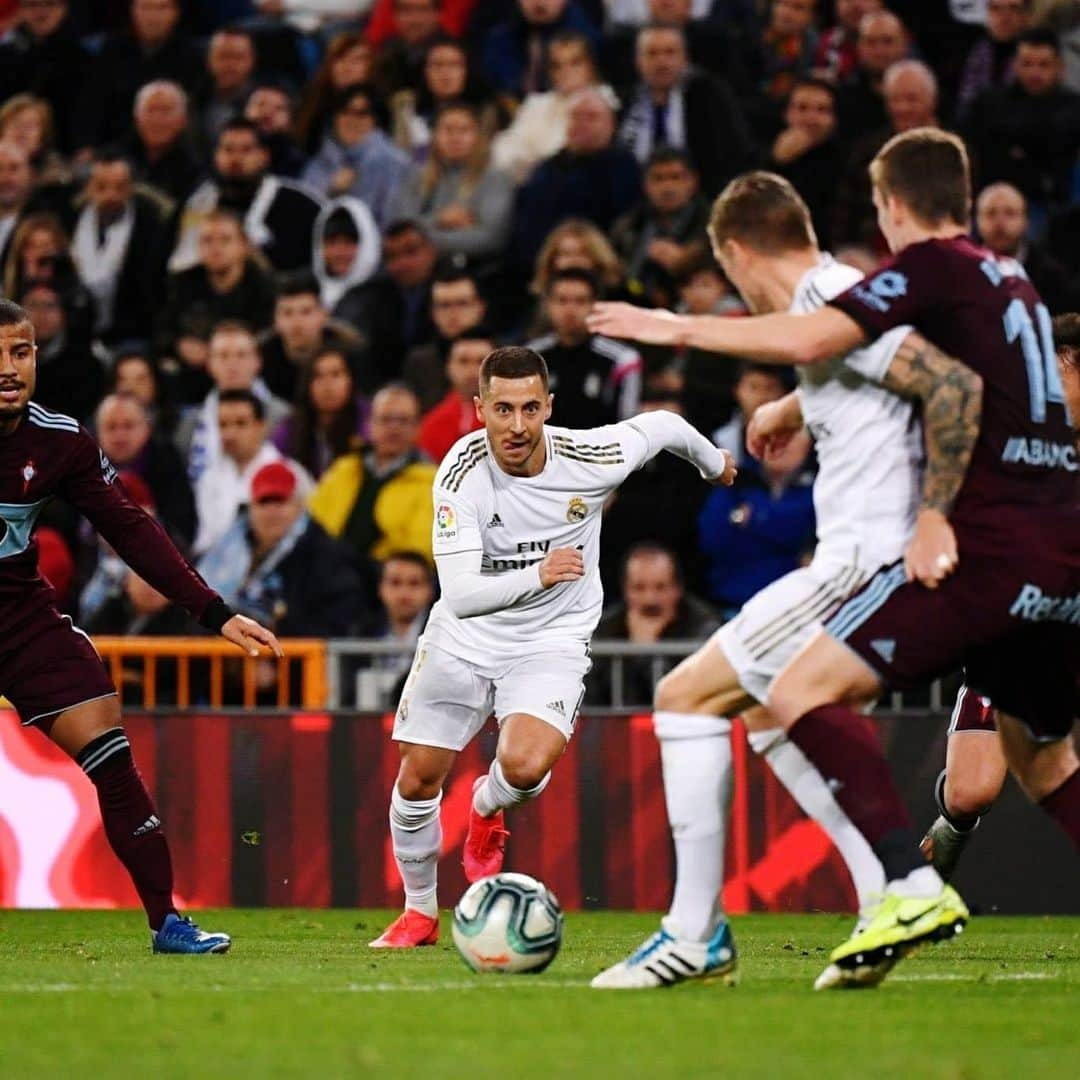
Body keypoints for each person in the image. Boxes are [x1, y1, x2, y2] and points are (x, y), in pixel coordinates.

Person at [589, 130, 1077, 986]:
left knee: (693, 694)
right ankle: (881, 896)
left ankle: (716, 929)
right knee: (1035, 760)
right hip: (1046, 541)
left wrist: (677, 327)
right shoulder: (1003, 278)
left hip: (891, 554)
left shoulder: (889, 277)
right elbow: (895, 364)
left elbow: (889, 362)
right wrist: (793, 406)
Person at [368, 345, 736, 947]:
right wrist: (538, 574)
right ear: (479, 409)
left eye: (531, 408)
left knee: (524, 764)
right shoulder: (460, 475)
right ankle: (419, 913)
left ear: (549, 407)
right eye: (503, 409)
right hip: (464, 637)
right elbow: (460, 595)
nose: (517, 426)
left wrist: (711, 461)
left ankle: (487, 808)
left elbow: (663, 426)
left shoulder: (586, 456)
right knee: (418, 779)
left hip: (550, 638)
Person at [0, 296, 281, 953]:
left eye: (20, 351)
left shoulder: (60, 441)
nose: (8, 368)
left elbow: (130, 529)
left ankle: (167, 922)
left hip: (19, 620)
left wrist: (213, 611)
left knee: (111, 753)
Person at [919, 309, 1080, 880]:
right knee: (969, 794)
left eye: (1060, 378)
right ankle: (950, 829)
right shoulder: (1009, 445)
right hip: (1019, 635)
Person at [197, 460, 365, 637]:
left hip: (293, 657)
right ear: (251, 507)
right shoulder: (227, 546)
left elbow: (339, 618)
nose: (271, 511)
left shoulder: (327, 555)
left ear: (299, 506)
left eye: (280, 501)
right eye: (264, 501)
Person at [512, 87, 642, 274]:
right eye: (575, 116)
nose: (582, 123)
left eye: (591, 117)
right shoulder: (547, 169)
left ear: (611, 124)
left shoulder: (625, 168)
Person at [170, 118, 325, 274]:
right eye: (228, 149)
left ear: (264, 156)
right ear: (216, 156)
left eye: (246, 150)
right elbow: (180, 264)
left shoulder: (301, 206)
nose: (236, 158)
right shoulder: (198, 203)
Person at [308, 383, 436, 571]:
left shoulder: (433, 482)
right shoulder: (343, 470)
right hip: (327, 574)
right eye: (385, 419)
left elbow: (420, 548)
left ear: (418, 427)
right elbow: (312, 525)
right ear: (369, 425)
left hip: (387, 581)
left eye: (403, 420)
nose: (394, 428)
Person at [617, 23, 755, 196]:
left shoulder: (710, 96)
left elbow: (734, 155)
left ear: (684, 58)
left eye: (670, 52)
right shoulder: (625, 102)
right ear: (638, 61)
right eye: (652, 53)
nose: (661, 62)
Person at [965, 28, 1080, 216]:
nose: (1034, 73)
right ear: (1015, 65)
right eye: (1027, 64)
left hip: (1052, 207)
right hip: (993, 202)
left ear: (1059, 66)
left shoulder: (1074, 108)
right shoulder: (989, 104)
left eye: (1043, 65)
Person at [588, 542, 720, 706]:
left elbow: (682, 696)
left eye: (660, 587)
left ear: (678, 588)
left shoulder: (703, 628)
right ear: (625, 590)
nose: (650, 599)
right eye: (639, 588)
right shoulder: (606, 628)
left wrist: (645, 650)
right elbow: (591, 699)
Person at [154, 211, 277, 382]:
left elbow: (269, 334)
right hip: (191, 374)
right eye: (207, 240)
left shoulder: (266, 288)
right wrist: (178, 344)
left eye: (225, 240)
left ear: (244, 246)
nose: (215, 248)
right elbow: (162, 328)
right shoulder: (181, 283)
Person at [391, 102, 514, 264]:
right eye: (448, 130)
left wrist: (420, 237)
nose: (455, 138)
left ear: (478, 136)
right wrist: (438, 220)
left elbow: (491, 238)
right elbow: (398, 230)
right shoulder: (417, 176)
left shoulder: (495, 179)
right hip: (416, 269)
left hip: (475, 270)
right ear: (435, 135)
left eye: (464, 130)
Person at [192, 387, 311, 556]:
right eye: (223, 425)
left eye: (240, 423)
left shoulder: (290, 472)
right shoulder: (210, 477)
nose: (230, 434)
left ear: (261, 427)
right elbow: (205, 539)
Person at [70, 154, 169, 345]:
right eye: (101, 187)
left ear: (131, 189)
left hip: (134, 333)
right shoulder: (70, 221)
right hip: (77, 331)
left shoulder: (151, 227)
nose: (111, 195)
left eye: (119, 187)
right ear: (89, 188)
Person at [177, 320, 292, 485]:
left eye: (241, 355)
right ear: (209, 364)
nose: (232, 364)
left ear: (257, 361)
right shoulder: (191, 423)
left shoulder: (283, 417)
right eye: (223, 356)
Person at [528, 268, 642, 430]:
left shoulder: (623, 360)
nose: (570, 310)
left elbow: (629, 424)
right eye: (562, 300)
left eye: (580, 301)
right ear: (548, 305)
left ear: (595, 306)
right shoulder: (530, 358)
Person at [492, 30, 607, 183]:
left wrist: (531, 162)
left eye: (575, 63)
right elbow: (504, 150)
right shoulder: (536, 104)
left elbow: (565, 156)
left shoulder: (603, 105)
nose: (566, 72)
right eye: (556, 66)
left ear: (590, 67)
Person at [301, 83, 416, 231]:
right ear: (334, 118)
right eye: (345, 112)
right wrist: (330, 189)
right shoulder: (318, 164)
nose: (352, 120)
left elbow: (395, 222)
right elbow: (301, 214)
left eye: (362, 114)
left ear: (376, 120)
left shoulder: (394, 162)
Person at [610, 147, 711, 309]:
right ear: (645, 184)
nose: (667, 187)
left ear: (693, 181)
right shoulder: (629, 226)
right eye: (658, 179)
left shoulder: (713, 224)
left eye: (676, 177)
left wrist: (688, 260)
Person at [94, 393, 196, 548]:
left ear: (147, 428)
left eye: (128, 426)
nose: (119, 436)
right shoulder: (82, 468)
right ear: (97, 433)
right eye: (111, 427)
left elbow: (183, 531)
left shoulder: (167, 463)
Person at [260, 270, 367, 402]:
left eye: (306, 312)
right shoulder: (259, 357)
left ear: (323, 315)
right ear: (275, 320)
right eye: (287, 313)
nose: (296, 322)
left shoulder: (350, 353)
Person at [975, 182, 1080, 314]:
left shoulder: (1053, 278)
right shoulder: (963, 275)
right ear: (977, 221)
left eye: (1010, 213)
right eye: (990, 213)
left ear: (1026, 221)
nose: (999, 222)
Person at [272, 344, 370, 479]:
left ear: (350, 380)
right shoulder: (290, 428)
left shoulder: (369, 421)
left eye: (336, 375)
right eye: (318, 376)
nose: (327, 385)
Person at [354, 549, 435, 709]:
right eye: (395, 583)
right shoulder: (361, 633)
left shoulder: (445, 635)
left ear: (430, 590)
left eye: (414, 584)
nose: (404, 593)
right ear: (380, 588)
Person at [401, 267, 488, 410]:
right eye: (444, 305)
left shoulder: (503, 356)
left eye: (462, 303)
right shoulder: (419, 363)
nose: (453, 314)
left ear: (480, 307)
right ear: (432, 312)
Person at [116, 79, 201, 206]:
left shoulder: (197, 170)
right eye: (150, 110)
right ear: (136, 118)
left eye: (166, 111)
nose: (157, 120)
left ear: (183, 120)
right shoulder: (116, 159)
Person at [417, 329, 491, 462]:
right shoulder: (431, 426)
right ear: (448, 367)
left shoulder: (515, 420)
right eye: (463, 361)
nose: (473, 371)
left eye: (481, 361)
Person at [312, 197, 381, 314]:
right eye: (331, 243)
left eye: (348, 243)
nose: (338, 253)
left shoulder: (380, 300)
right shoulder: (307, 290)